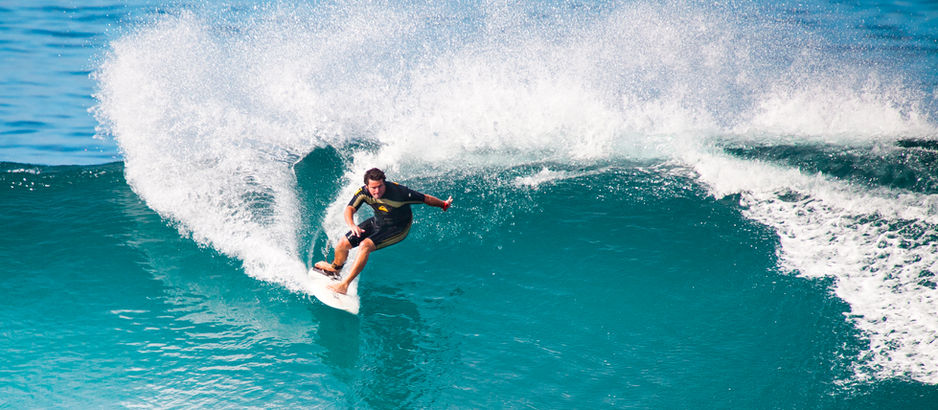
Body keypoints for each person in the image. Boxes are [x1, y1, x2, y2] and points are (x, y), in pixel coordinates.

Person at [314, 168, 453, 294]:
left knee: (365, 246)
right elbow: (349, 208)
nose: (377, 191)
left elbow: (426, 198)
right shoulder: (364, 192)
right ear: (367, 186)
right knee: (343, 243)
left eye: (380, 186)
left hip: (398, 228)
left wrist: (444, 204)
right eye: (373, 187)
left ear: (384, 183)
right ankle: (335, 270)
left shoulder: (400, 193)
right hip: (378, 221)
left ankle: (344, 285)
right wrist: (352, 225)